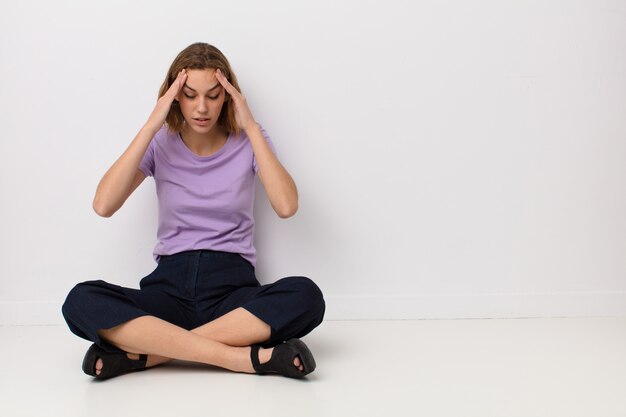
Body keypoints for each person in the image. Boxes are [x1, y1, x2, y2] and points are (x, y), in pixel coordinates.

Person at [62, 42, 326, 380]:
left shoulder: (249, 141)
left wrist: (251, 128)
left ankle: (146, 355)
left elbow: (287, 206)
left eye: (213, 95)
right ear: (174, 96)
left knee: (306, 296)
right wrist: (150, 125)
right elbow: (103, 205)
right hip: (168, 290)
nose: (201, 108)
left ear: (228, 96)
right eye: (189, 95)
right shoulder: (160, 142)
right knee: (80, 301)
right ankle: (242, 359)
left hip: (231, 292)